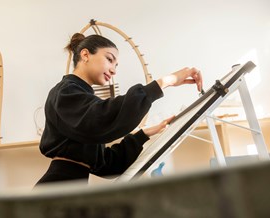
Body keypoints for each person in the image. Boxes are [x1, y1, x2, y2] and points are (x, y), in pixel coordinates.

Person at [35, 33, 202, 185]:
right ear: (85, 55)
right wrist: (166, 82)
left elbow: (107, 165)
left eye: (116, 65)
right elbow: (101, 117)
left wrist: (143, 134)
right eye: (109, 59)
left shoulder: (85, 102)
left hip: (71, 189)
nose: (114, 70)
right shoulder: (66, 91)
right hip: (55, 189)